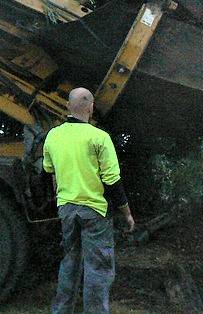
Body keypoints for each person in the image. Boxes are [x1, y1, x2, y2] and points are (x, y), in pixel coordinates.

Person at [43, 87, 135, 314]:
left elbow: (50, 173)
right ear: (91, 108)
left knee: (70, 262)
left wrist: (61, 201)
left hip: (66, 209)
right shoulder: (99, 137)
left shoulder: (53, 136)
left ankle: (61, 311)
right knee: (98, 268)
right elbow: (112, 181)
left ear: (67, 106)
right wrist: (127, 214)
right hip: (94, 212)